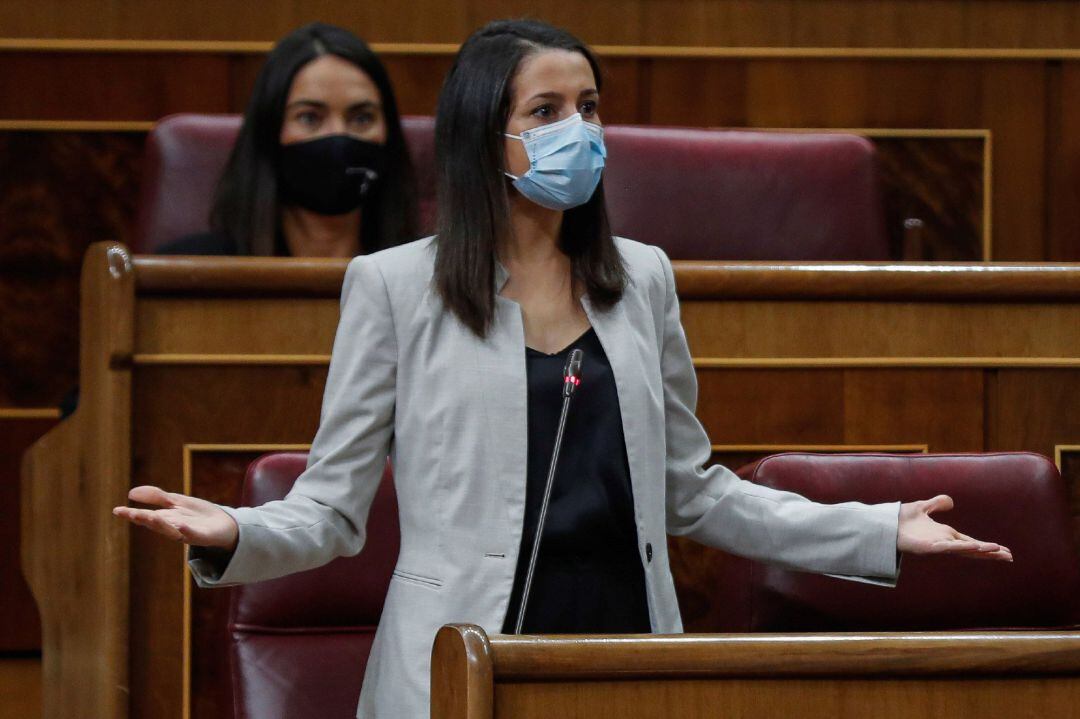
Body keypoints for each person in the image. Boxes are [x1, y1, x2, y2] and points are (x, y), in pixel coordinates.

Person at [114, 19, 1012, 719]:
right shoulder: (392, 286)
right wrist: (235, 530)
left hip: (624, 648)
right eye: (545, 112)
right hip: (458, 661)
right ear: (483, 137)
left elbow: (693, 492)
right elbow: (333, 512)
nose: (577, 130)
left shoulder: (644, 278)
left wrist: (876, 529)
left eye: (588, 106)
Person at [159, 21, 418, 257]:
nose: (338, 134)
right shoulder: (192, 268)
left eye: (362, 118)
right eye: (309, 118)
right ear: (270, 131)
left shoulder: (422, 273)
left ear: (388, 133)